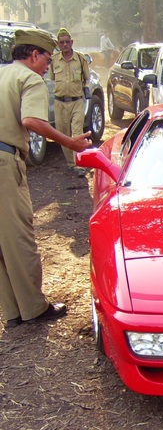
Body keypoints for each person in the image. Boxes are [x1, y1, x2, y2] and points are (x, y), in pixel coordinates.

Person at [0, 29, 92, 328]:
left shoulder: (3, 75)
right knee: (19, 238)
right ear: (34, 54)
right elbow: (30, 120)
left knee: (2, 244)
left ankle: (15, 311)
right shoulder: (30, 79)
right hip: (4, 161)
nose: (47, 66)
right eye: (47, 59)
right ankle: (35, 308)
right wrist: (69, 142)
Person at [51, 28, 91, 177]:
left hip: (77, 101)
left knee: (76, 133)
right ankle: (70, 163)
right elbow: (52, 78)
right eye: (62, 42)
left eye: (68, 42)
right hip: (59, 102)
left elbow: (87, 78)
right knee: (64, 134)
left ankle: (79, 164)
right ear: (58, 44)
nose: (65, 45)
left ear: (72, 42)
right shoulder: (54, 59)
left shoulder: (80, 59)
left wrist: (86, 89)